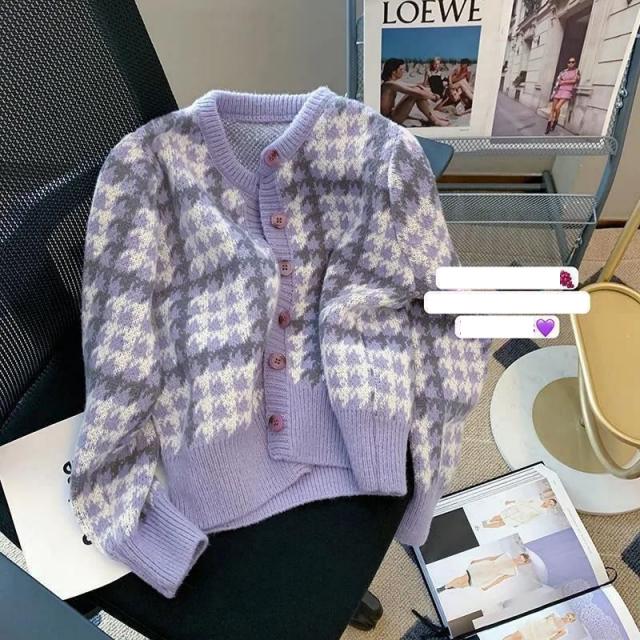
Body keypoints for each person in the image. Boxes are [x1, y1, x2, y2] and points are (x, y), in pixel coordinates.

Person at [380, 58, 449, 126]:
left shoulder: (391, 82)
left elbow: (414, 85)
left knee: (416, 90)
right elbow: (414, 92)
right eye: (401, 69)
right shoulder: (390, 84)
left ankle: (434, 116)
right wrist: (434, 97)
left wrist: (421, 87)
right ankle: (434, 120)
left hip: (392, 112)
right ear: (394, 72)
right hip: (389, 119)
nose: (403, 71)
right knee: (415, 94)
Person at [436, 552, 532, 592]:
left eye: (521, 560)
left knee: (463, 585)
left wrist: (489, 586)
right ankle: (443, 588)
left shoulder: (514, 572)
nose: (518, 559)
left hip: (488, 576)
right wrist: (478, 560)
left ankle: (449, 587)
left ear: (523, 563)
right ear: (518, 555)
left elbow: (500, 579)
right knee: (463, 578)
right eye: (519, 557)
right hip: (484, 567)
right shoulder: (506, 555)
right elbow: (492, 558)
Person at [546, 56, 580, 134]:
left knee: (557, 107)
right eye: (569, 62)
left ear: (575, 63)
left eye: (573, 62)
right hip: (559, 90)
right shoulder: (563, 71)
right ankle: (548, 126)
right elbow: (559, 80)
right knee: (553, 109)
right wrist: (559, 83)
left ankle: (556, 120)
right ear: (567, 63)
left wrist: (564, 82)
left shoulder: (576, 71)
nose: (571, 63)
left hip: (567, 91)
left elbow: (575, 80)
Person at [479, 496, 558, 529]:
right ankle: (487, 522)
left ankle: (485, 526)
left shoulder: (543, 512)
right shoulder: (537, 499)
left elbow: (534, 519)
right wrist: (511, 501)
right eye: (549, 501)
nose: (549, 504)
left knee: (501, 523)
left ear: (551, 506)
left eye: (551, 504)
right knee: (499, 517)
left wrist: (520, 524)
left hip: (520, 518)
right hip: (516, 509)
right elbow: (524, 500)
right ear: (547, 500)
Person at [503, 612, 577, 640]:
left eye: (570, 619)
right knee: (515, 635)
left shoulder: (564, 630)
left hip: (539, 637)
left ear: (570, 622)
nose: (567, 618)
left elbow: (553, 639)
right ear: (566, 614)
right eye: (568, 616)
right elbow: (542, 620)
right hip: (534, 627)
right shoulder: (554, 615)